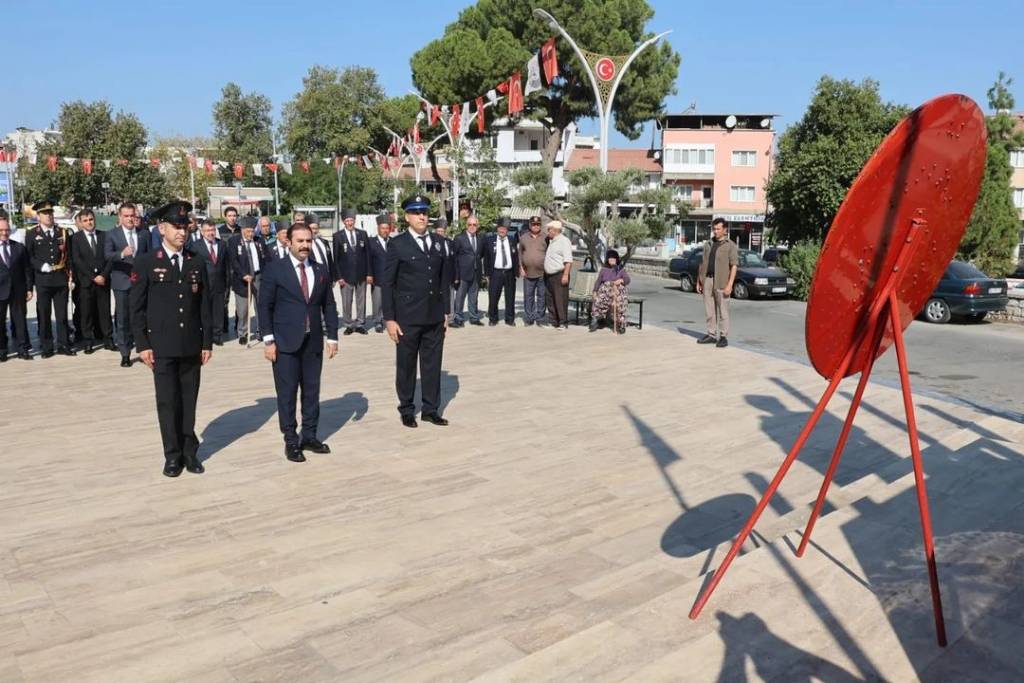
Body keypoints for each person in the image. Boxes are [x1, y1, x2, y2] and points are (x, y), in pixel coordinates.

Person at [129, 201, 213, 477]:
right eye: (176, 227)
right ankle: (172, 455)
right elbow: (136, 308)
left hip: (190, 344)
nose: (182, 232)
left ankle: (190, 452)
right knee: (167, 401)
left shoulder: (196, 261)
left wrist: (206, 342)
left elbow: (204, 305)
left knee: (189, 401)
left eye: (185, 227)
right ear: (162, 228)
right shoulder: (146, 262)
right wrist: (142, 345)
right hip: (161, 346)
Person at [260, 222, 340, 463]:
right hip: (284, 343)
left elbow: (329, 304)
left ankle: (310, 436)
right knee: (287, 393)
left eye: (308, 241)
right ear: (289, 242)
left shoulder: (320, 269)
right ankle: (291, 440)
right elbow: (265, 306)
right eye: (300, 241)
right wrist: (268, 340)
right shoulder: (275, 269)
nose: (305, 245)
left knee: (312, 392)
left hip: (313, 341)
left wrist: (333, 336)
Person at [382, 194, 451, 428]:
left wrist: (445, 312)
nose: (422, 216)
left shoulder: (440, 242)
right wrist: (389, 319)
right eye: (416, 212)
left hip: (433, 315)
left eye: (424, 212)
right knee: (407, 365)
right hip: (407, 317)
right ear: (407, 217)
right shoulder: (397, 244)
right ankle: (407, 409)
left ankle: (431, 409)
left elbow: (443, 281)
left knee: (432, 364)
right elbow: (388, 284)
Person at [25, 200, 75, 357]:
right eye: (45, 213)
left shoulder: (63, 232)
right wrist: (41, 266)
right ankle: (46, 347)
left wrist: (71, 276)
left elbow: (69, 257)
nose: (49, 216)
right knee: (44, 314)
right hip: (43, 280)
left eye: (50, 213)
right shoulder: (32, 233)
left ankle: (63, 344)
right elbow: (29, 257)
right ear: (38, 216)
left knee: (62, 315)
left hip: (60, 279)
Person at [105, 202, 148, 366]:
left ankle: (143, 348)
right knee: (123, 319)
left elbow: (149, 256)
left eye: (132, 215)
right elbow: (107, 255)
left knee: (141, 317)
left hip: (140, 283)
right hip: (122, 281)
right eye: (126, 216)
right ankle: (125, 353)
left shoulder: (144, 234)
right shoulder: (112, 234)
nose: (130, 219)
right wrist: (122, 254)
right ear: (120, 217)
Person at [70, 208, 112, 353]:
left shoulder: (104, 235)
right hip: (86, 282)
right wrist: (93, 277)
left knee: (104, 311)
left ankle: (108, 339)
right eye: (86, 220)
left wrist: (103, 275)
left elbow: (109, 258)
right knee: (86, 312)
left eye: (91, 219)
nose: (89, 223)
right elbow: (77, 260)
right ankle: (88, 341)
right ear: (81, 222)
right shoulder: (76, 238)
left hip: (103, 280)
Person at [697, 217, 738, 348]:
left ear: (725, 230)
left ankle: (724, 336)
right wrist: (699, 281)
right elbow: (702, 263)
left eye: (718, 229)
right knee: (709, 309)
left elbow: (734, 266)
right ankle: (711, 334)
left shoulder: (730, 245)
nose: (715, 231)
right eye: (714, 229)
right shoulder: (708, 244)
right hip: (707, 280)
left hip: (721, 281)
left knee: (723, 310)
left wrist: (730, 284)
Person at [0, 212, 33, 361]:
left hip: (17, 291)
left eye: (6, 230)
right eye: (1, 230)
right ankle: (2, 350)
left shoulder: (19, 247)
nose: (4, 233)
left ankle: (23, 349)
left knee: (20, 320)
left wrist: (29, 288)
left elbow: (27, 269)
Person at [227, 216, 266, 344]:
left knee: (260, 305)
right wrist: (243, 274)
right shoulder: (233, 241)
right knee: (243, 309)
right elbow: (233, 261)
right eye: (248, 231)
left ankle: (261, 330)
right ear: (243, 230)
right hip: (242, 279)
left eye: (253, 231)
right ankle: (242, 332)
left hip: (258, 277)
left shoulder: (259, 241)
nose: (251, 234)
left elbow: (265, 259)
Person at [333, 208, 370, 335]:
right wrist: (339, 276)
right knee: (346, 301)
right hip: (345, 276)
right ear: (344, 222)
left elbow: (368, 255)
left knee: (361, 301)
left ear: (354, 221)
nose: (350, 223)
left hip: (361, 274)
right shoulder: (337, 236)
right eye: (347, 220)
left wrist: (369, 273)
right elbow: (336, 259)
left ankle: (360, 323)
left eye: (351, 220)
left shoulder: (362, 234)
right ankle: (348, 324)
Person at [193, 218, 229, 345]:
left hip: (219, 283)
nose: (210, 233)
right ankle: (204, 335)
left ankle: (217, 336)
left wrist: (227, 283)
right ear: (202, 232)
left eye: (213, 230)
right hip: (204, 283)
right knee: (204, 311)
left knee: (218, 311)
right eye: (207, 230)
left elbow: (226, 265)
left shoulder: (222, 244)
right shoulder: (196, 246)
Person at [483, 217, 518, 326]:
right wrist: (487, 274)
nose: (502, 230)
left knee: (510, 297)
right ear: (497, 228)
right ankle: (493, 318)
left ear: (507, 230)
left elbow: (515, 257)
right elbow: (486, 258)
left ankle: (510, 319)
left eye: (505, 228)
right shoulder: (489, 240)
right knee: (493, 296)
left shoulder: (512, 240)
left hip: (509, 272)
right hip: (496, 273)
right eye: (501, 228)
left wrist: (516, 271)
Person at [451, 214, 485, 327]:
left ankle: (474, 318)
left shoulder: (480, 238)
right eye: (470, 224)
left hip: (476, 273)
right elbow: (454, 258)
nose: (472, 226)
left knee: (473, 297)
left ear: (478, 226)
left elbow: (481, 255)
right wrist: (456, 275)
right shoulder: (459, 238)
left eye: (474, 224)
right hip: (462, 274)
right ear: (466, 225)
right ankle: (458, 318)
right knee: (460, 297)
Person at [589, 249, 631, 334]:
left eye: (613, 259)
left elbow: (627, 280)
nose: (611, 260)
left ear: (616, 259)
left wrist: (621, 280)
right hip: (606, 292)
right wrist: (594, 291)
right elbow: (598, 281)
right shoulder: (604, 269)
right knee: (598, 300)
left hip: (617, 292)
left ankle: (621, 324)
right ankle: (595, 320)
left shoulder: (621, 269)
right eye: (610, 258)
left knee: (620, 303)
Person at [543, 220, 574, 330]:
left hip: (559, 274)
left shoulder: (564, 241)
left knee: (560, 299)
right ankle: (553, 321)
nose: (548, 232)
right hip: (549, 275)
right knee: (550, 299)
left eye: (549, 230)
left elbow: (568, 261)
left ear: (555, 230)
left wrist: (565, 275)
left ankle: (563, 322)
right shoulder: (552, 241)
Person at [518, 215, 548, 326]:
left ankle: (540, 318)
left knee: (541, 297)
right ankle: (529, 318)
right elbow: (520, 253)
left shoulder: (546, 237)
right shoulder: (524, 237)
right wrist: (521, 267)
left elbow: (549, 254)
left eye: (538, 224)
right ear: (530, 225)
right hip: (528, 273)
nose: (536, 226)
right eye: (534, 224)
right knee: (528, 296)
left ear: (540, 225)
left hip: (542, 273)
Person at [367, 213, 392, 333]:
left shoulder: (393, 242)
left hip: (391, 278)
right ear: (378, 228)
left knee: (389, 300)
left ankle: (388, 320)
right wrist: (369, 274)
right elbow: (368, 260)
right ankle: (377, 321)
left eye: (387, 228)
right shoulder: (371, 242)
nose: (385, 231)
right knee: (377, 300)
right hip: (377, 276)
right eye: (383, 228)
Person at [434, 217, 456, 324]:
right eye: (438, 231)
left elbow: (454, 259)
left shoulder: (450, 243)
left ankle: (450, 318)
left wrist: (456, 275)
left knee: (450, 295)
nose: (440, 233)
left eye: (442, 231)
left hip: (449, 273)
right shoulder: (431, 243)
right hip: (435, 274)